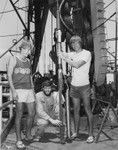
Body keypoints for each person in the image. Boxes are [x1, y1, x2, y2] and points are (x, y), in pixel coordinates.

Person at [58, 35, 94, 143]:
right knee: (76, 110)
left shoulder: (87, 53)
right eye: (72, 43)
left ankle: (91, 134)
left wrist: (64, 58)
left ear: (80, 43)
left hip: (84, 86)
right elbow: (60, 52)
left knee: (87, 109)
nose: (74, 45)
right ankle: (76, 132)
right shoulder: (72, 54)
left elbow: (77, 65)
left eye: (76, 43)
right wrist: (58, 39)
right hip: (74, 86)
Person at [7, 40, 35, 149]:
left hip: (29, 89)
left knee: (32, 113)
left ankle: (27, 134)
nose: (26, 52)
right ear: (21, 49)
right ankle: (18, 140)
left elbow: (30, 76)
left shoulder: (28, 61)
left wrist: (32, 89)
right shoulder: (13, 59)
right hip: (18, 89)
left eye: (28, 50)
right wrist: (13, 90)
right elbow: (9, 75)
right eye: (25, 49)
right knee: (19, 114)